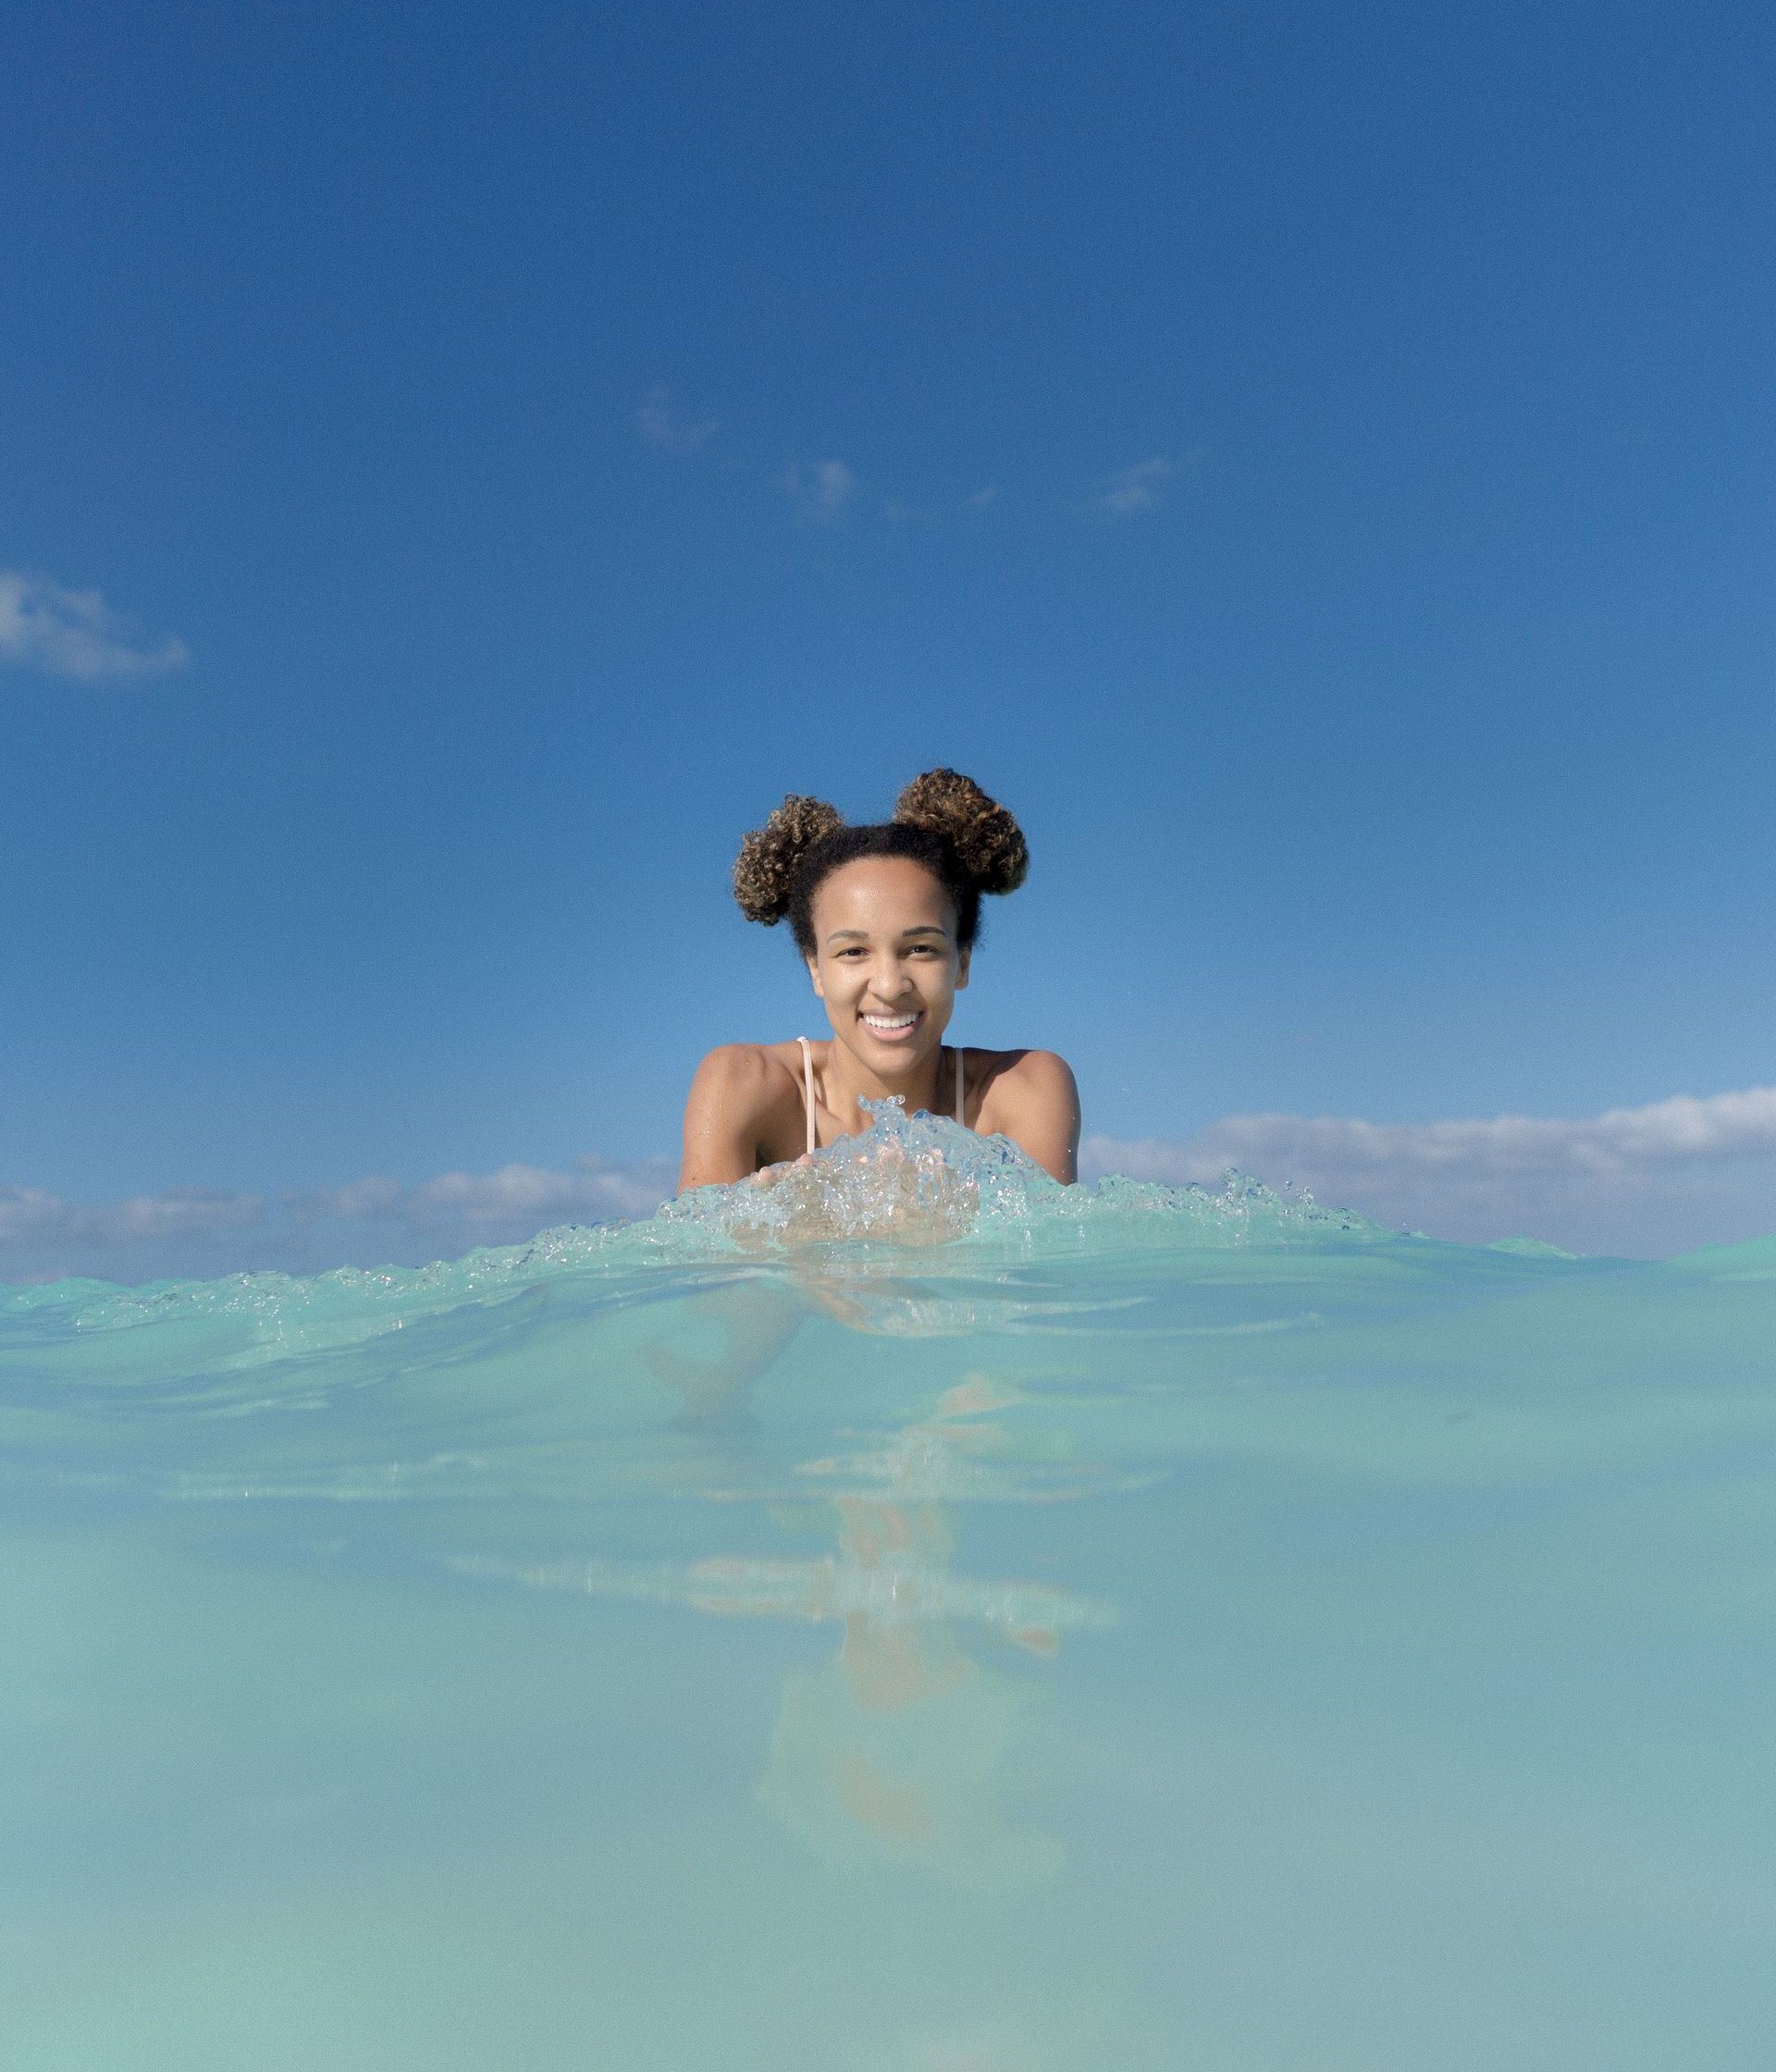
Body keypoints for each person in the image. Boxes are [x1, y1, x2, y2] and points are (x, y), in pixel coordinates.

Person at [678, 769, 1079, 1191]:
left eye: (921, 948)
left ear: (962, 963)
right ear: (815, 969)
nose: (889, 986)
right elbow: (697, 1255)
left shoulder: (1024, 1088)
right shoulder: (742, 1083)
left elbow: (1048, 1253)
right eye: (853, 952)